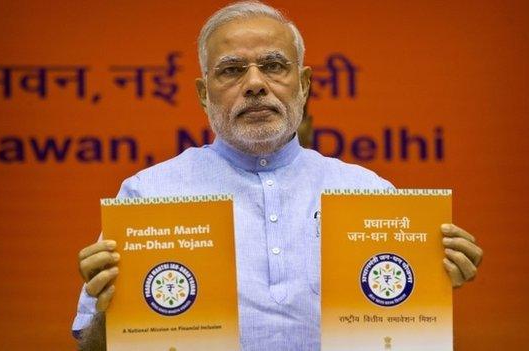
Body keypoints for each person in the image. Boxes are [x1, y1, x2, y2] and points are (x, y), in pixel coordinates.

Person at [73, 1, 483, 350]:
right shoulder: (148, 195)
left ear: (303, 85)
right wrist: (113, 309)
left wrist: (429, 291)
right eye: (231, 71)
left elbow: (403, 341)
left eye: (273, 66)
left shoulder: (368, 192)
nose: (255, 84)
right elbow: (92, 345)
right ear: (203, 94)